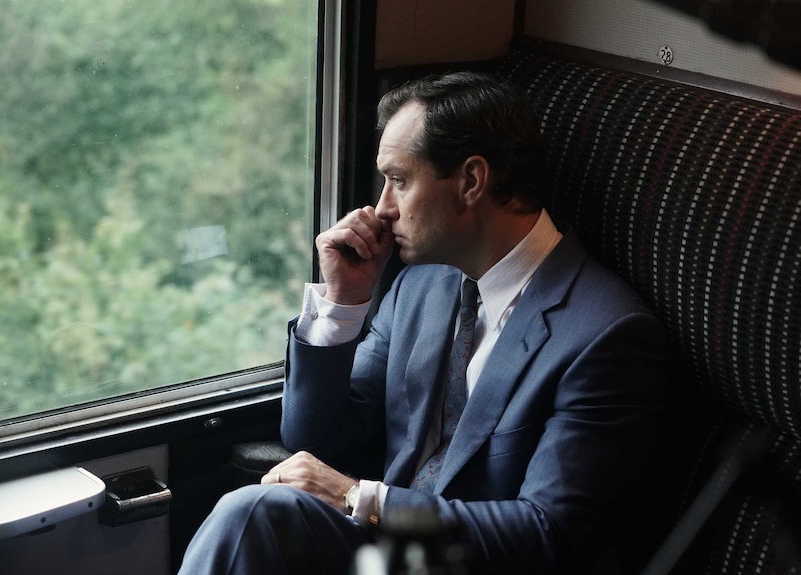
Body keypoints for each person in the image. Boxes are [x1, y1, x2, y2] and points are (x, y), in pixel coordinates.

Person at [178, 71, 667, 574]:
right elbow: (317, 438)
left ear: (472, 181)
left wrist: (356, 497)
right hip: (383, 555)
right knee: (260, 516)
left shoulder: (605, 335)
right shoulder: (423, 285)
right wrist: (344, 304)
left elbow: (549, 534)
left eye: (399, 181)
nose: (381, 209)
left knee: (253, 512)